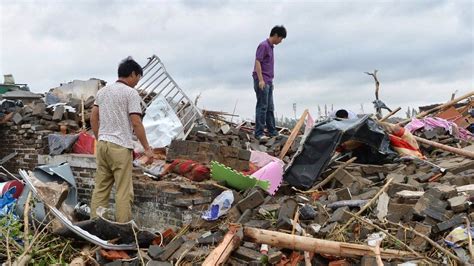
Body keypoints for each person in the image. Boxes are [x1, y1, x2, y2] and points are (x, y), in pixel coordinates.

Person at [90, 57, 154, 223]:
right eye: (138, 78)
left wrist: (100, 138)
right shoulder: (131, 93)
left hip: (102, 145)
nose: (138, 82)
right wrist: (147, 148)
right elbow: (136, 122)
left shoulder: (102, 92)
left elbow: (93, 118)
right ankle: (122, 229)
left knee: (101, 189)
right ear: (132, 74)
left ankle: (95, 224)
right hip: (120, 147)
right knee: (124, 191)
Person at [253, 25, 287, 141]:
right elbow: (258, 61)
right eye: (281, 38)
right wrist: (261, 79)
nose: (281, 41)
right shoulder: (264, 45)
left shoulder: (271, 47)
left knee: (270, 107)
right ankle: (259, 133)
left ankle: (272, 131)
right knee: (262, 107)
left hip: (268, 81)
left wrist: (270, 81)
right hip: (262, 80)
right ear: (276, 35)